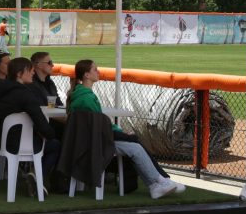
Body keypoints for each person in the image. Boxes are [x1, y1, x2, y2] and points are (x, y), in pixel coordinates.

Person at [69, 59, 184, 199]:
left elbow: (98, 125)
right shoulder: (87, 98)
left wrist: (118, 131)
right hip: (94, 144)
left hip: (89, 142)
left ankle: (158, 182)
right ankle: (158, 181)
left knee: (135, 145)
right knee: (135, 145)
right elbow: (100, 127)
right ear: (86, 75)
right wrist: (120, 132)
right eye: (95, 69)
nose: (98, 72)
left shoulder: (80, 96)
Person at [0, 57, 62, 198]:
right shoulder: (25, 95)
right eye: (30, 70)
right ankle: (36, 176)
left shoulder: (0, 90)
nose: (33, 73)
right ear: (19, 74)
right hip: (20, 145)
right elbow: (43, 125)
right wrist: (49, 134)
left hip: (0, 142)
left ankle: (32, 175)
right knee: (55, 144)